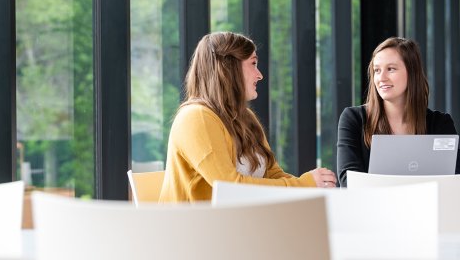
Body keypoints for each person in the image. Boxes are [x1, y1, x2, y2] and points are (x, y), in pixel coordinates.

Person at [159, 32, 336, 202]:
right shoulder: (196, 117)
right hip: (194, 229)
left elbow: (272, 174)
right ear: (229, 68)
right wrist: (302, 185)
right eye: (253, 64)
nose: (260, 75)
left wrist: (313, 186)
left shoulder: (245, 117)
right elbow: (228, 187)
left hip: (237, 223)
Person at [337, 37, 458, 186]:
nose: (381, 78)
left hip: (428, 209)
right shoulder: (354, 119)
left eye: (391, 69)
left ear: (412, 73)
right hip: (372, 209)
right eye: (377, 70)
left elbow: (453, 180)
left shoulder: (440, 123)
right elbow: (349, 182)